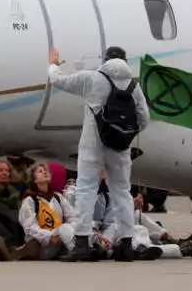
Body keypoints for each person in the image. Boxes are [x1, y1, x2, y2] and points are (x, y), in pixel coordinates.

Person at [48, 44, 151, 262]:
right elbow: (144, 120)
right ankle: (126, 245)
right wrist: (123, 134)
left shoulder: (92, 78)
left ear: (105, 59)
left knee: (86, 188)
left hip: (92, 145)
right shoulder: (133, 86)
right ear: (125, 61)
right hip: (120, 148)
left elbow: (58, 80)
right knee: (122, 192)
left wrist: (52, 66)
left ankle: (83, 243)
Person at [19, 163, 78, 260]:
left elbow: (72, 217)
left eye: (46, 171)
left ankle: (96, 247)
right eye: (40, 171)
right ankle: (75, 249)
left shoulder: (58, 197)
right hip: (43, 245)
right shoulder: (30, 201)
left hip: (61, 238)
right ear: (35, 180)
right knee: (64, 228)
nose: (45, 172)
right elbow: (30, 227)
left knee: (80, 226)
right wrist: (49, 237)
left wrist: (70, 229)